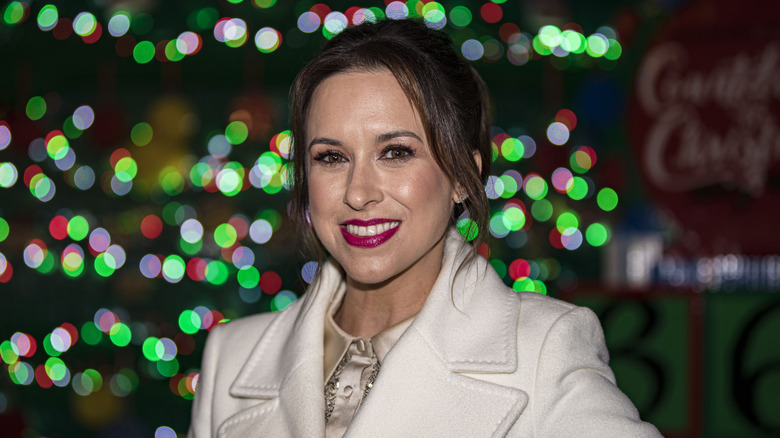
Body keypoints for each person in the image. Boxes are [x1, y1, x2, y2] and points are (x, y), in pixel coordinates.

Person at [188, 18, 662, 437]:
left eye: (395, 152)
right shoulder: (231, 356)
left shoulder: (543, 349)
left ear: (462, 176)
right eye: (331, 157)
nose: (358, 193)